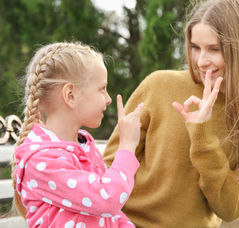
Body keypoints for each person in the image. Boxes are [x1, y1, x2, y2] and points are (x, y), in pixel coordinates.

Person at [103, 0, 239, 227]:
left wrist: (203, 138)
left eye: (214, 49)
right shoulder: (159, 85)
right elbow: (108, 169)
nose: (201, 61)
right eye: (195, 47)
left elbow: (232, 209)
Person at [12, 41, 144, 228]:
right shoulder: (42, 161)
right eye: (102, 88)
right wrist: (127, 147)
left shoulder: (82, 145)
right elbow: (107, 200)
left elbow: (109, 216)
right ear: (70, 95)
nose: (108, 100)